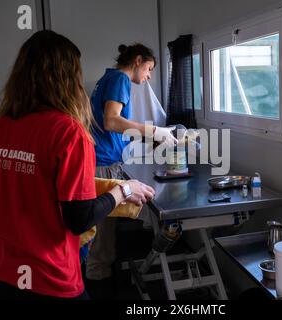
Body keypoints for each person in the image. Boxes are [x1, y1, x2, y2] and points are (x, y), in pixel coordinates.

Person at [0, 30, 155, 300]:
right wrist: (123, 191)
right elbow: (79, 219)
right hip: (43, 275)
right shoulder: (68, 132)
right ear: (68, 78)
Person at [85, 44, 177, 298]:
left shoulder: (108, 77)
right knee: (101, 238)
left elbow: (116, 129)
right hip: (102, 164)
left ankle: (103, 279)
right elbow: (111, 121)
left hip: (104, 160)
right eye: (148, 69)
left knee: (105, 234)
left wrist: (153, 138)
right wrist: (154, 131)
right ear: (138, 61)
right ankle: (99, 288)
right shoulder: (118, 78)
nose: (148, 76)